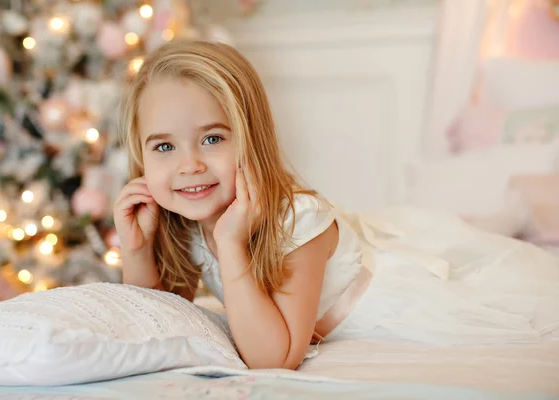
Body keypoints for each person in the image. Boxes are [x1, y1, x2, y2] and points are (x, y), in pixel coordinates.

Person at [113, 40, 559, 370]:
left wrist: (231, 247)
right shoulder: (186, 220)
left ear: (252, 140)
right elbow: (166, 320)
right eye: (164, 147)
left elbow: (274, 360)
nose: (189, 165)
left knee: (517, 295)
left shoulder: (298, 221)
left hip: (389, 302)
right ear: (141, 153)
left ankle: (518, 210)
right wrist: (136, 250)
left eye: (212, 139)